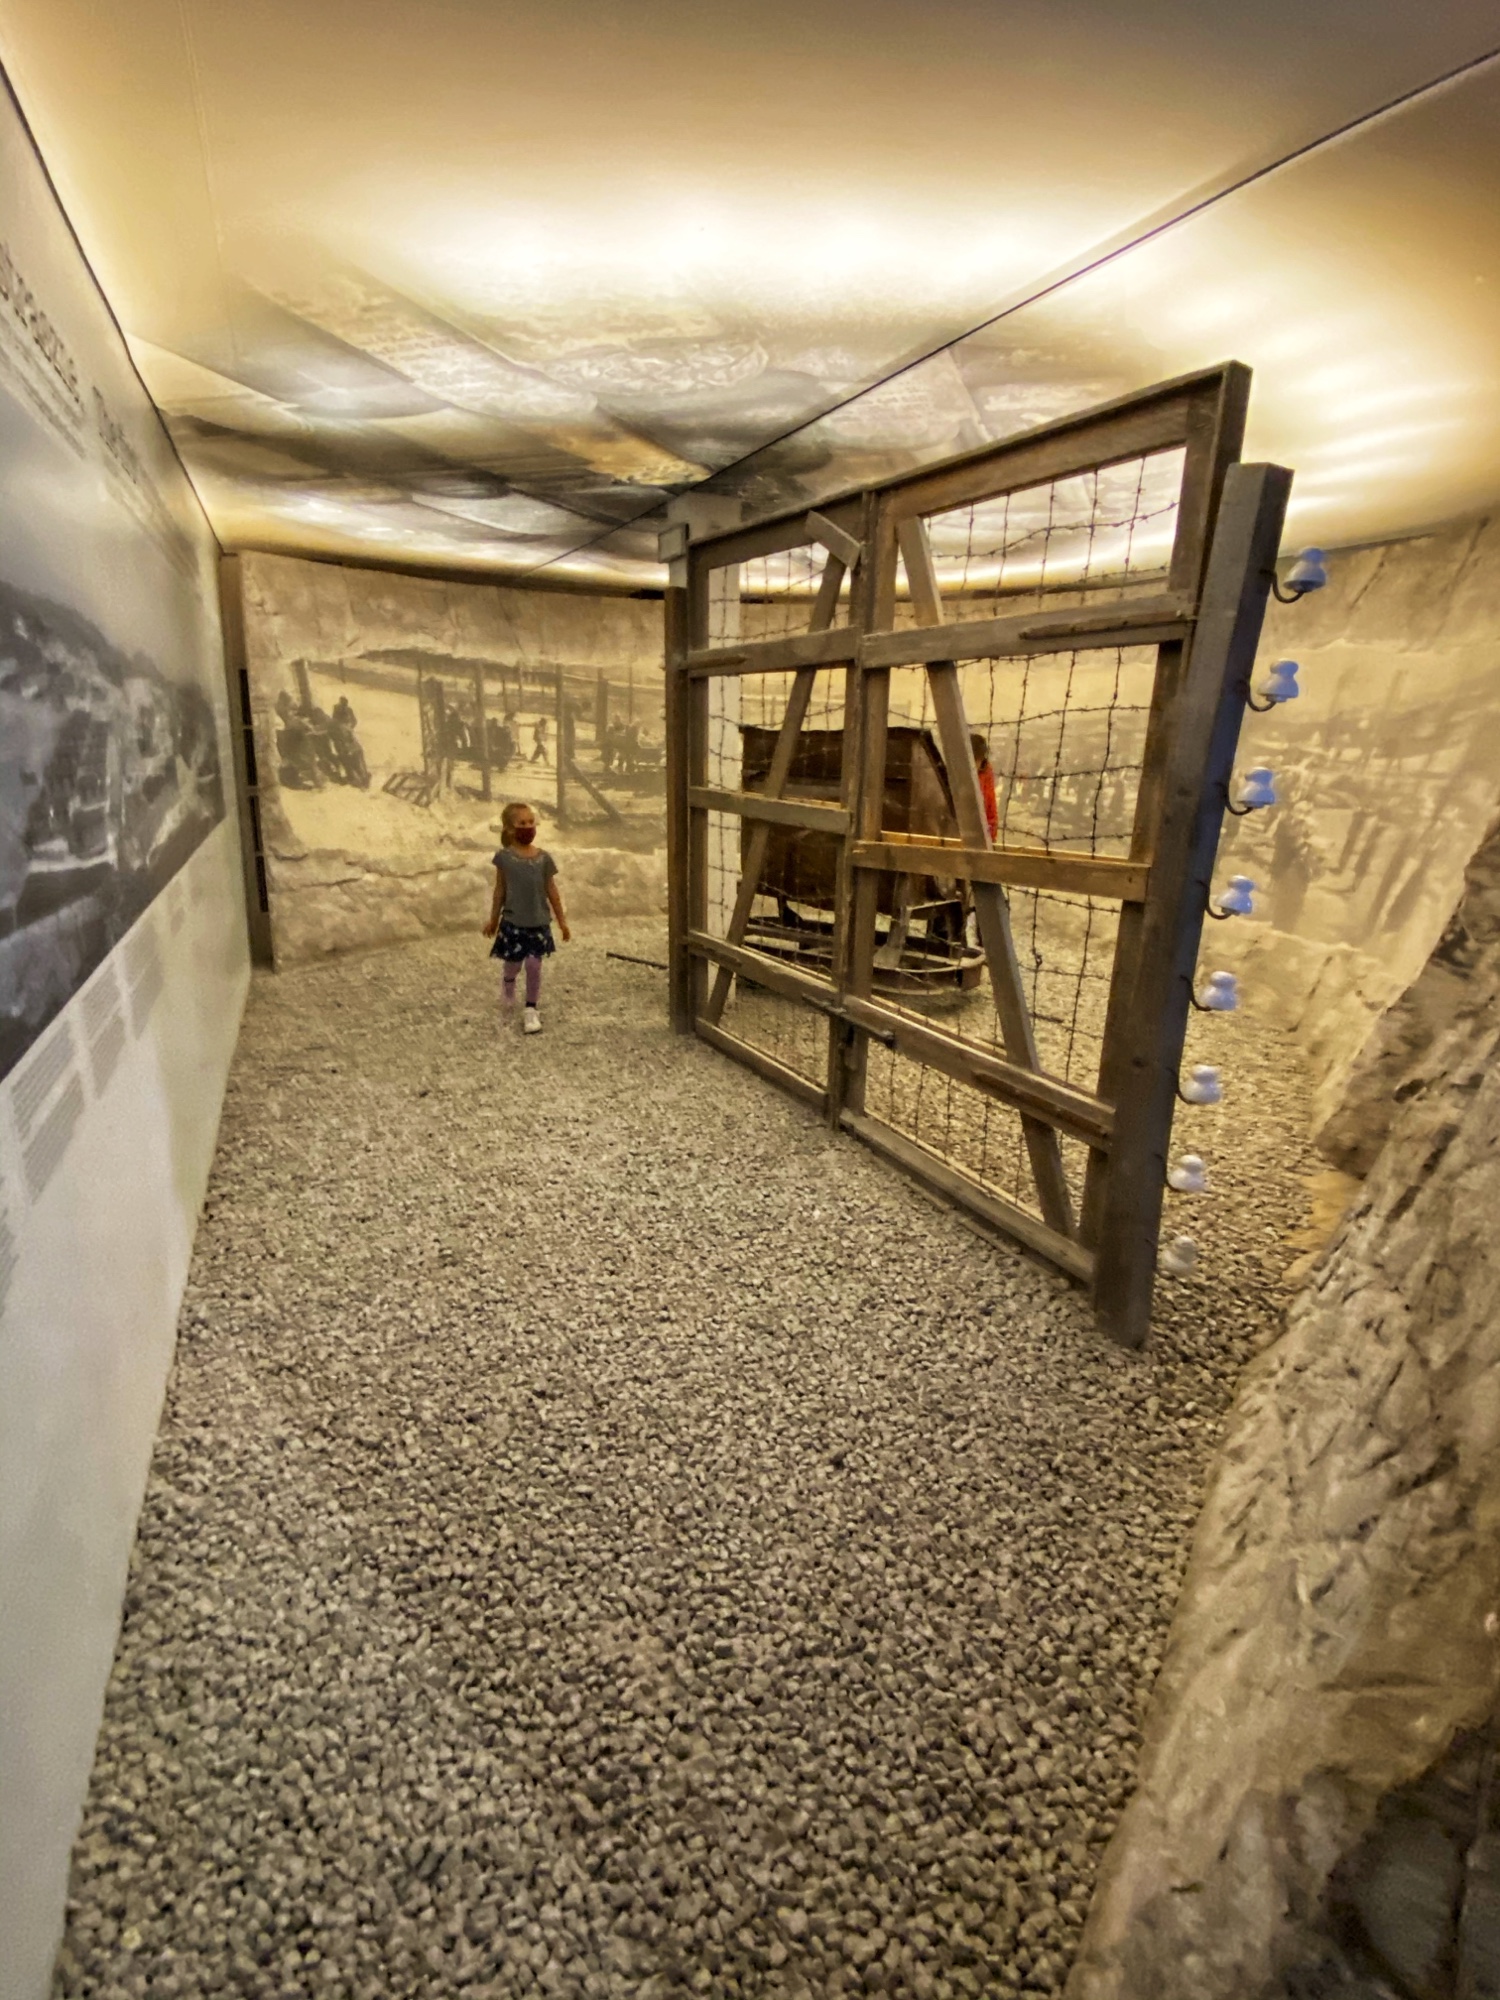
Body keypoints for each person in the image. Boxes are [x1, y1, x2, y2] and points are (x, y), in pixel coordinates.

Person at [481, 801, 570, 1033]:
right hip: (513, 922)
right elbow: (500, 890)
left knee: (534, 965)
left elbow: (552, 890)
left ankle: (531, 1008)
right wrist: (493, 919)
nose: (528, 827)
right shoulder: (504, 858)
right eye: (522, 823)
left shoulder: (544, 859)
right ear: (510, 828)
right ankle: (508, 984)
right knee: (512, 964)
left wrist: (562, 921)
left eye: (531, 822)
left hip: (538, 922)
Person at [971, 732, 999, 844]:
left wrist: (991, 836)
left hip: (982, 833)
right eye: (975, 759)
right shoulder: (955, 772)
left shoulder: (986, 771)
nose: (976, 764)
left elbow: (990, 804)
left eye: (979, 759)